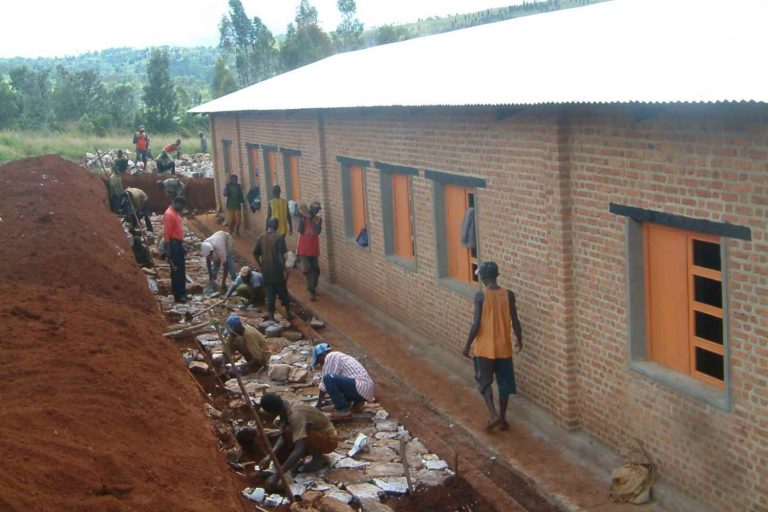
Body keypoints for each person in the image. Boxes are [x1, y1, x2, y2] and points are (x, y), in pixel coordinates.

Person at [462, 261, 523, 432]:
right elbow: (515, 320)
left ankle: (493, 414)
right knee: (504, 384)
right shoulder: (509, 295)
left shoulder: (480, 296)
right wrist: (519, 338)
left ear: (483, 277)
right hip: (504, 348)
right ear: (496, 276)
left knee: (485, 382)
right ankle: (502, 419)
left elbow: (476, 325)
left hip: (484, 349)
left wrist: (467, 345)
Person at [258, 392, 338, 489]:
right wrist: (270, 456)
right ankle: (304, 457)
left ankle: (318, 459)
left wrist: (277, 475)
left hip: (329, 441)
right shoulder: (285, 408)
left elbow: (298, 449)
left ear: (274, 411)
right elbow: (283, 435)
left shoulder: (295, 416)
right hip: (316, 434)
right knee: (287, 433)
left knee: (302, 436)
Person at [312, 343, 374, 420]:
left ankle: (343, 410)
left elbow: (324, 384)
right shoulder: (339, 356)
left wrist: (318, 404)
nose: (321, 364)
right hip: (365, 389)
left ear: (320, 356)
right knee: (335, 382)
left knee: (328, 378)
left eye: (320, 361)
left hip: (360, 387)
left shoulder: (331, 356)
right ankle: (356, 404)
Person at [253, 217, 292, 321]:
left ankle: (271, 316)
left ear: (269, 225)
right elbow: (280, 255)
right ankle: (288, 312)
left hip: (266, 270)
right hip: (277, 271)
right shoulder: (279, 238)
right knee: (282, 291)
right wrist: (285, 269)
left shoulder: (261, 236)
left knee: (270, 293)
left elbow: (255, 253)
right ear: (277, 225)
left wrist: (260, 265)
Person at [163, 196, 188, 303]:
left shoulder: (174, 213)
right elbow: (166, 233)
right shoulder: (169, 214)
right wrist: (168, 250)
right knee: (177, 270)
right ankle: (178, 294)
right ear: (177, 203)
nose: (182, 209)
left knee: (181, 270)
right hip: (173, 245)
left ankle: (181, 292)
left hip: (177, 243)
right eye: (181, 206)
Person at [297, 202, 322, 300]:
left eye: (318, 210)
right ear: (311, 209)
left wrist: (310, 219)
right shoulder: (303, 217)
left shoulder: (318, 219)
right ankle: (312, 291)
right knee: (308, 269)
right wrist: (302, 219)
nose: (316, 211)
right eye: (315, 209)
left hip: (314, 248)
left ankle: (312, 286)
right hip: (303, 248)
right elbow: (300, 230)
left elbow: (317, 231)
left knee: (316, 270)